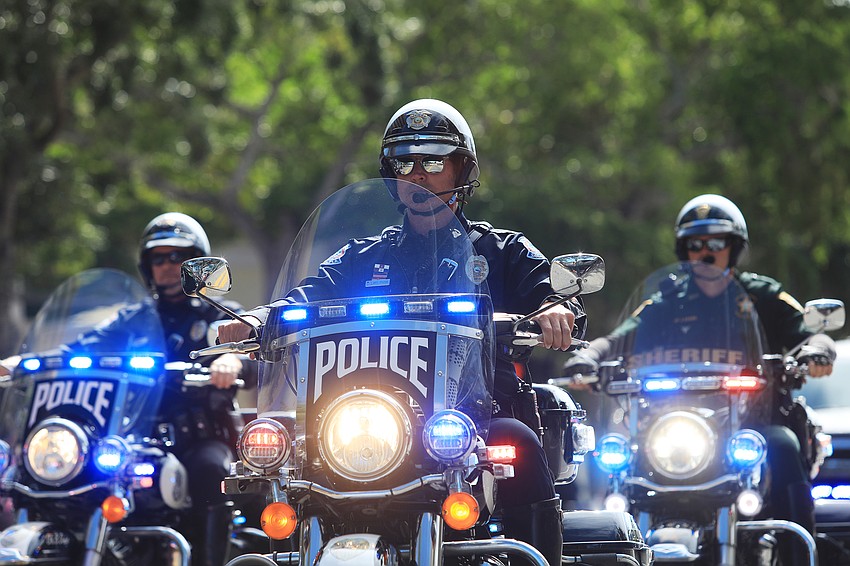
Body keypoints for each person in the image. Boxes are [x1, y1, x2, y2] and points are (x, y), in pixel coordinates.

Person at [217, 98, 587, 566]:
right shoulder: (361, 256)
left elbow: (552, 293)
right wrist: (257, 320)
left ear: (461, 170)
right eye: (404, 163)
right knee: (277, 464)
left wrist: (557, 308)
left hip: (472, 420)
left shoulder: (499, 250)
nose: (417, 174)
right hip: (363, 427)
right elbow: (303, 298)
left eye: (433, 161)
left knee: (523, 446)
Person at [563, 193, 836, 565]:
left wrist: (818, 351)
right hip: (672, 426)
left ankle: (799, 555)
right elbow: (618, 338)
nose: (705, 252)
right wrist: (588, 357)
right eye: (695, 244)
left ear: (734, 247)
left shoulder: (761, 294)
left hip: (750, 424)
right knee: (618, 463)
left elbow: (810, 332)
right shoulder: (669, 298)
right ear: (684, 249)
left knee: (785, 444)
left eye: (716, 243)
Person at [139, 212, 256, 566]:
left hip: (205, 440)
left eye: (177, 256)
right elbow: (84, 347)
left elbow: (255, 356)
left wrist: (233, 362)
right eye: (158, 258)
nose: (167, 265)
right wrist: (21, 363)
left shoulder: (217, 314)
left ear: (194, 261)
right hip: (145, 440)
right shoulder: (135, 318)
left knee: (212, 473)